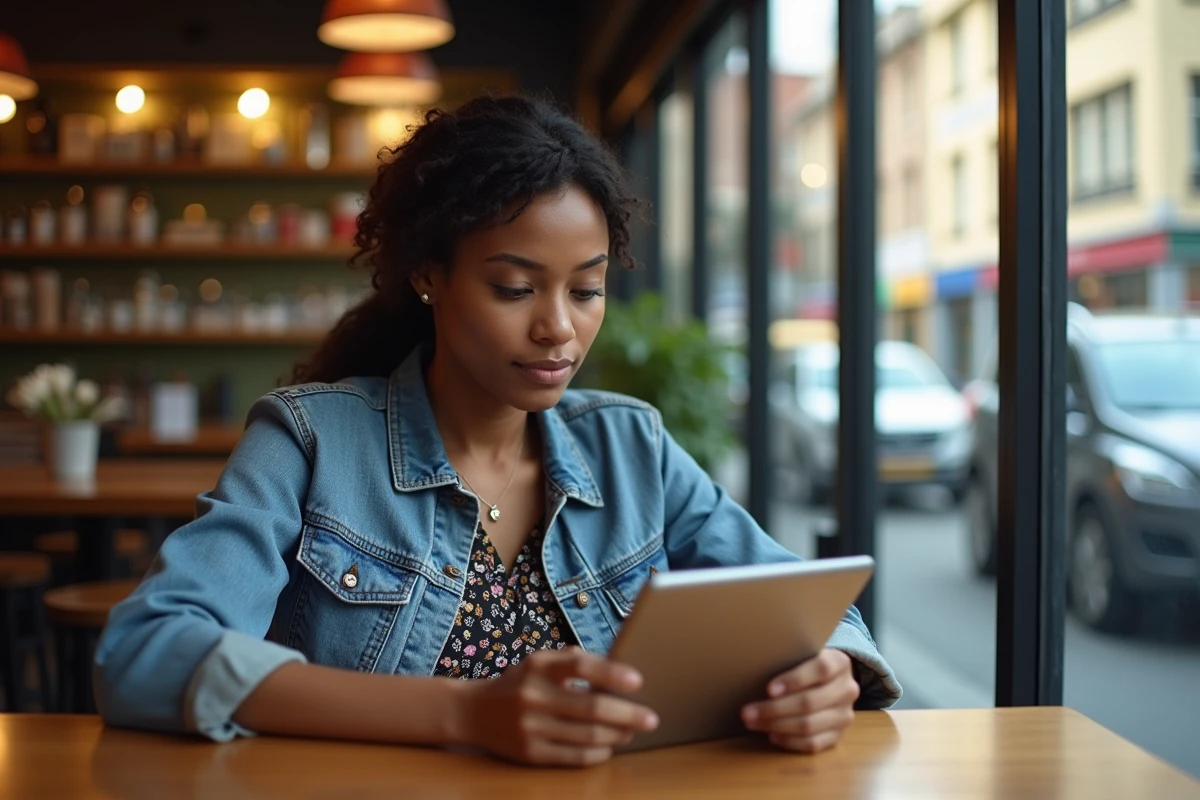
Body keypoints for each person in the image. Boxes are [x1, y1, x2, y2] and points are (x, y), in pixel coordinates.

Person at [94, 95, 901, 767]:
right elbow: (145, 653)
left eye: (585, 291)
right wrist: (464, 715)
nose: (559, 329)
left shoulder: (633, 448)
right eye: (514, 288)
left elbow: (806, 603)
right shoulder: (310, 441)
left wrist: (827, 671)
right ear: (427, 275)